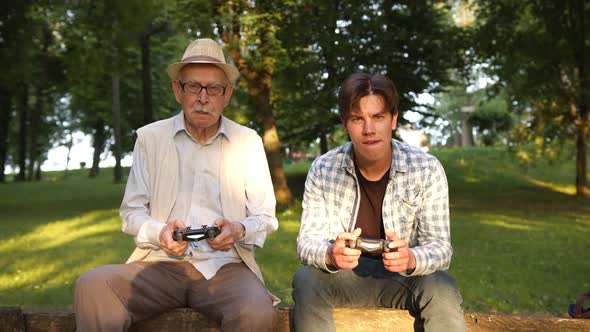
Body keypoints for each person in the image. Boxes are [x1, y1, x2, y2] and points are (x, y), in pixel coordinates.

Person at [74, 38, 279, 331]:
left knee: (255, 311)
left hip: (226, 266)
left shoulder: (247, 142)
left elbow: (265, 217)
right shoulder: (150, 139)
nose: (203, 98)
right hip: (159, 264)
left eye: (214, 89)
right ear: (177, 90)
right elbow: (131, 213)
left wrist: (238, 229)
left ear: (227, 95)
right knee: (93, 285)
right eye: (193, 86)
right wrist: (161, 233)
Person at [292, 73, 466, 331]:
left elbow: (441, 248)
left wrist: (411, 259)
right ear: (345, 124)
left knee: (441, 287)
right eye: (357, 119)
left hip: (405, 280)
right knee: (306, 279)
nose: (369, 129)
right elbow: (306, 242)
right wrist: (331, 254)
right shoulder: (324, 168)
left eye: (378, 117)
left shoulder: (426, 168)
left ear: (393, 119)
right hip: (344, 279)